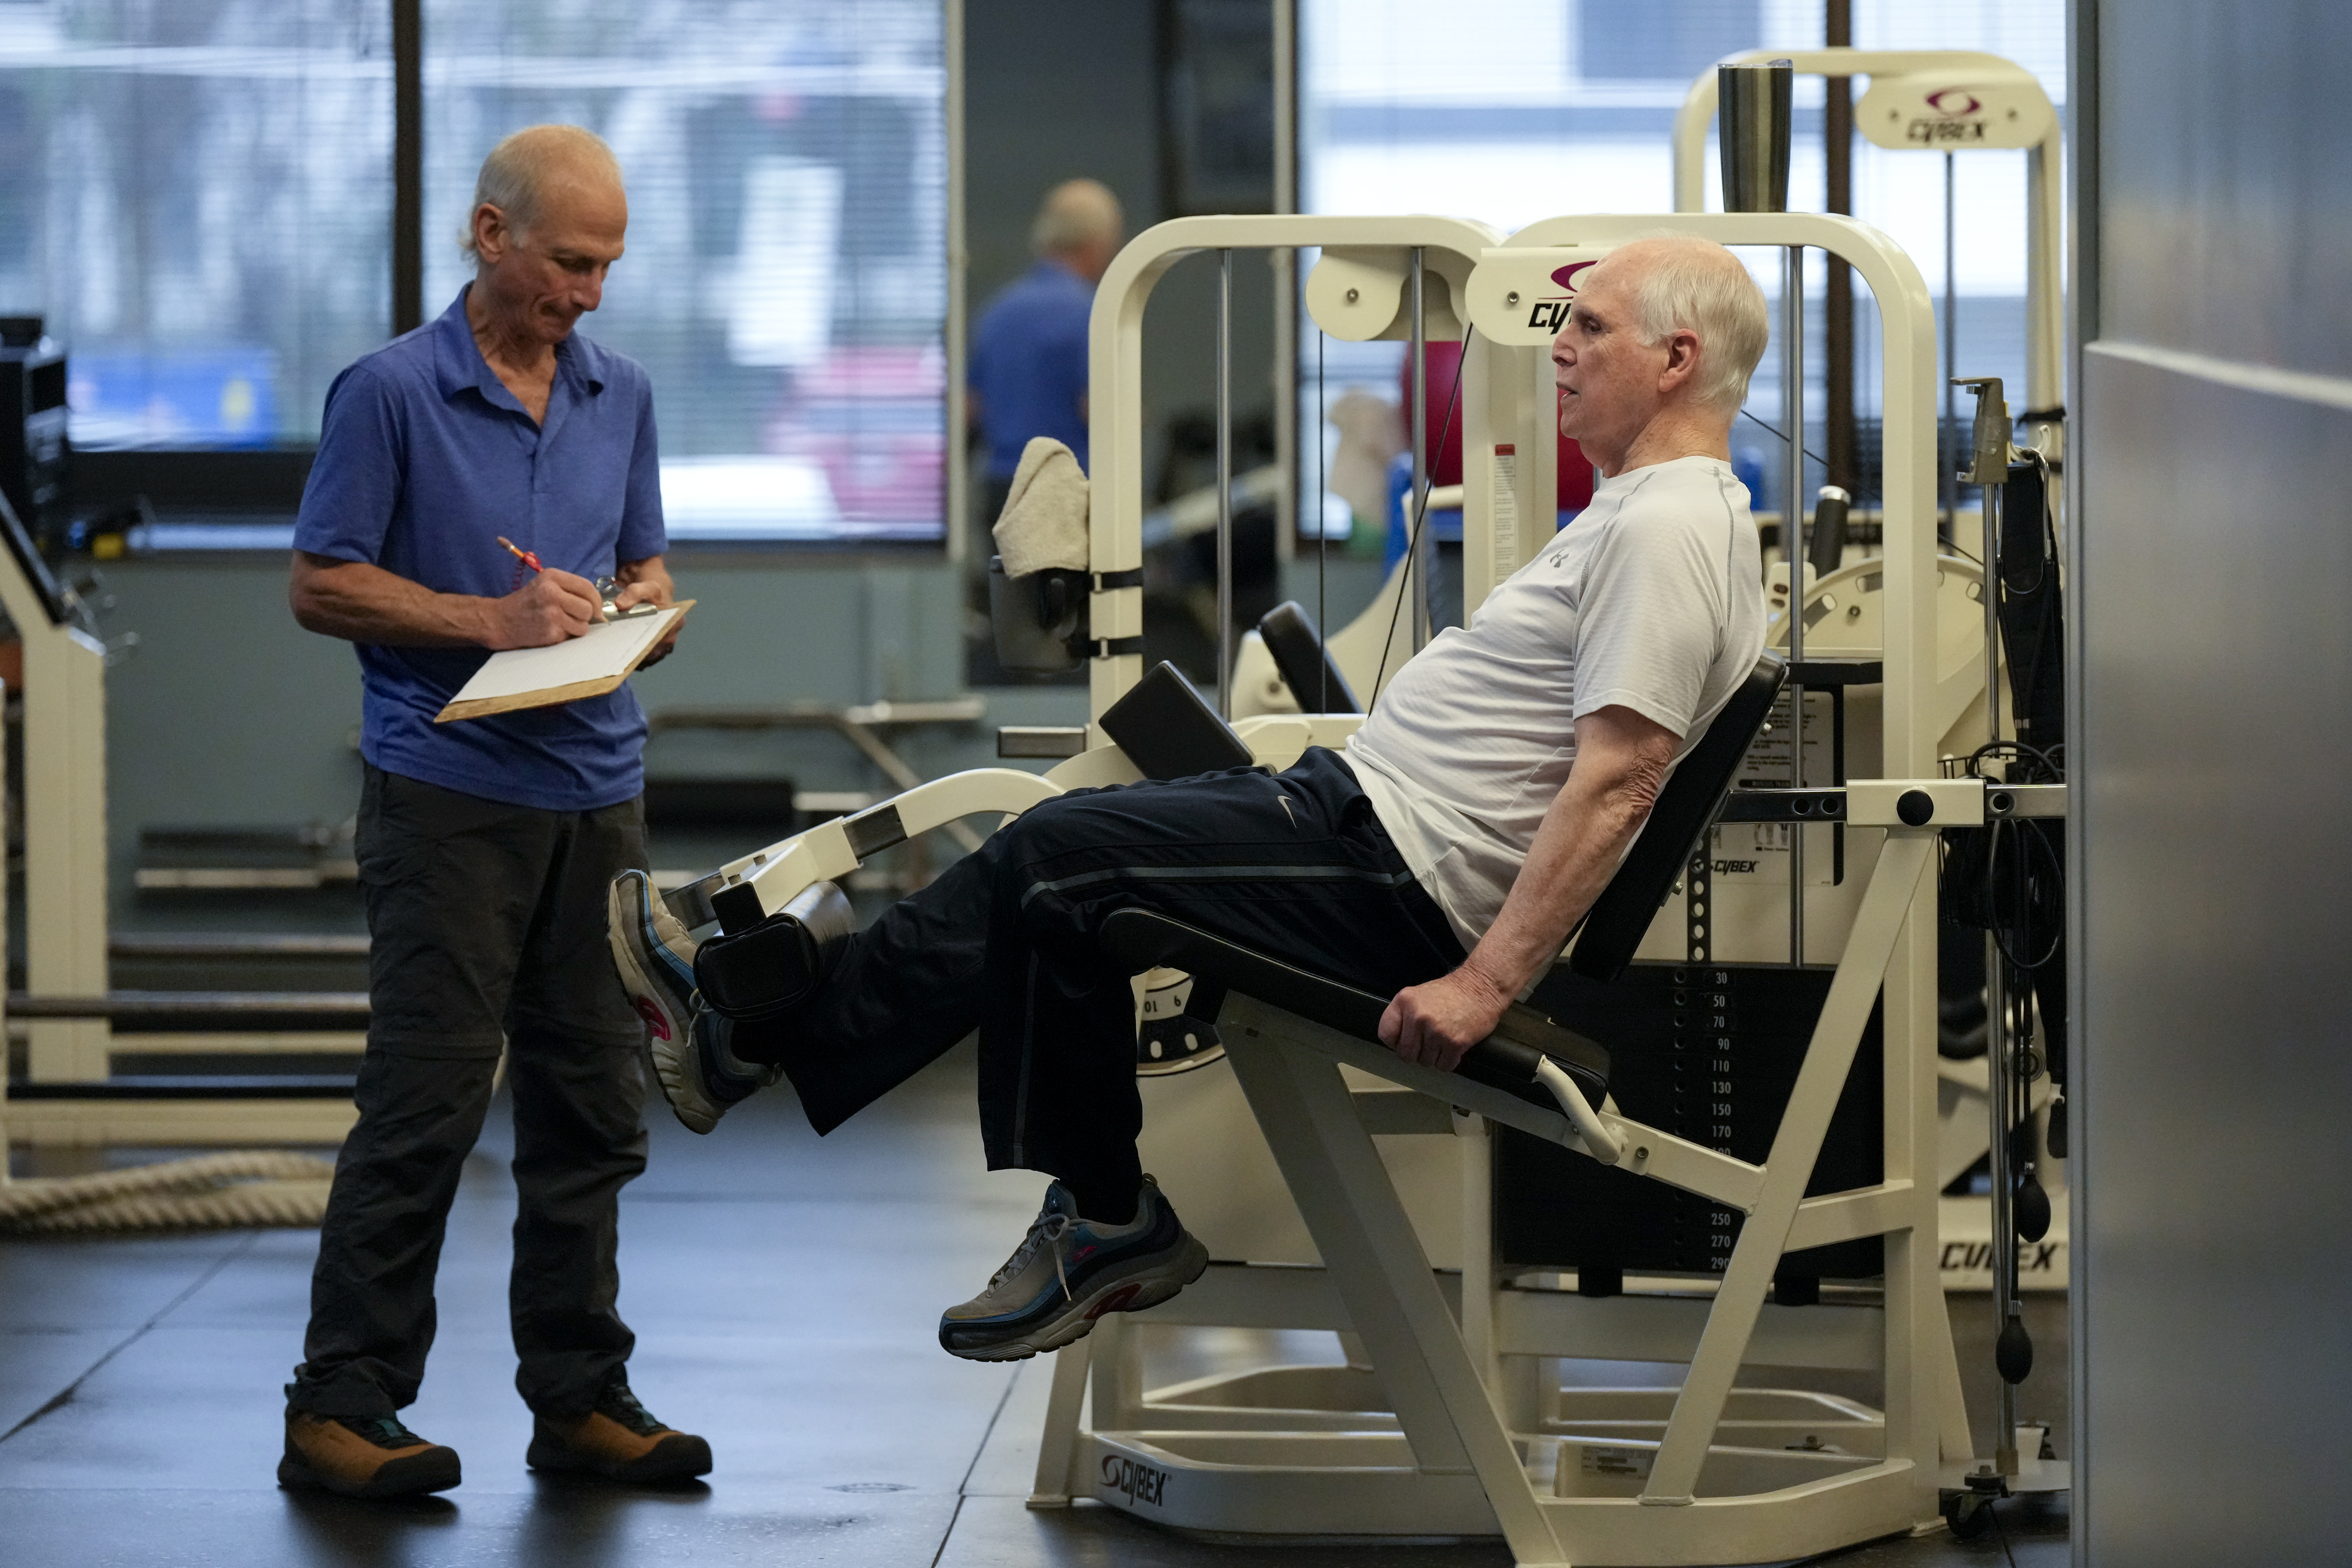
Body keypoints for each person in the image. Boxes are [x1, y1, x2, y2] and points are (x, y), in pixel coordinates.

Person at [611, 233, 1770, 1366]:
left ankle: (1025, 1175)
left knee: (1060, 859)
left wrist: (1483, 984)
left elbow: (1621, 778)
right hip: (1357, 819)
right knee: (1056, 866)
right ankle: (807, 1064)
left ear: (1675, 359)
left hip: (1397, 880)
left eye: (1590, 326)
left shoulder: (1668, 525)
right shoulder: (1644, 513)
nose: (1558, 347)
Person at [281, 124, 707, 1499]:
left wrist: (644, 607)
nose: (585, 293)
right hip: (448, 799)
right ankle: (340, 1405)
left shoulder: (619, 392)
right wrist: (492, 619)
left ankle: (580, 1400)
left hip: (598, 796)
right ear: (488, 235)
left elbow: (641, 559)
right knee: (426, 1106)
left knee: (594, 1111)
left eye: (606, 268)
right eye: (567, 263)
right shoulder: (390, 394)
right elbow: (321, 584)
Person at [966, 178, 1124, 536]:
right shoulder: (1092, 312)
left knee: (1010, 593)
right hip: (1064, 496)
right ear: (1098, 243)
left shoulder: (997, 311)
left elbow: (970, 407)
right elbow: (1095, 409)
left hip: (1002, 492)